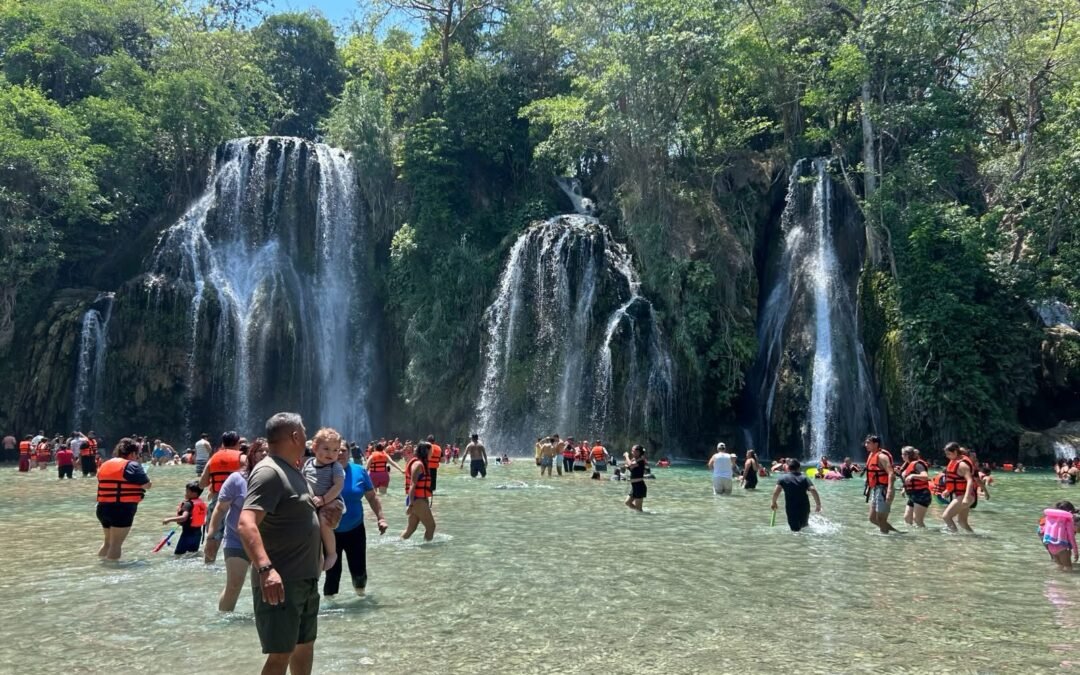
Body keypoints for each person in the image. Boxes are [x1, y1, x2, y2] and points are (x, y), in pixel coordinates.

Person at [238, 413, 321, 675]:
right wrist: (265, 568)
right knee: (280, 654)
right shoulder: (268, 472)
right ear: (295, 436)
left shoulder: (292, 471)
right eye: (304, 432)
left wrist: (327, 516)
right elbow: (246, 522)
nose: (307, 437)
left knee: (304, 647)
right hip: (281, 581)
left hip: (304, 579)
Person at [209, 439, 268, 612]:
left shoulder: (275, 479)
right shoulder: (236, 479)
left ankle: (263, 622)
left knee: (265, 586)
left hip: (265, 542)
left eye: (267, 451)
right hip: (237, 539)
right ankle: (224, 622)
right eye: (260, 451)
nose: (264, 454)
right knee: (234, 585)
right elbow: (220, 509)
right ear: (251, 455)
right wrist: (212, 536)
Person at [324, 441, 388, 599]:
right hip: (330, 532)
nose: (340, 454)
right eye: (336, 450)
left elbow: (372, 497)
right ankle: (330, 607)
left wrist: (381, 518)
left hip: (356, 530)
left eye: (343, 450)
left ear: (349, 452)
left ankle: (361, 599)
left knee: (359, 571)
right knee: (332, 572)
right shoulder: (323, 472)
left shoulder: (359, 471)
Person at [96, 438, 152, 561]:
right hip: (121, 509)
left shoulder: (105, 464)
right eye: (136, 455)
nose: (137, 457)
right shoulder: (132, 465)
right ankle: (111, 572)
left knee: (107, 543)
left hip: (102, 508)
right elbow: (147, 485)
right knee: (116, 544)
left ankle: (100, 566)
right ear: (132, 453)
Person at [302, 428, 346, 572]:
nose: (331, 454)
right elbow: (302, 482)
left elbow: (339, 485)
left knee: (323, 520)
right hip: (315, 503)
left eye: (335, 450)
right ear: (314, 447)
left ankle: (332, 554)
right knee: (314, 529)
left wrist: (324, 499)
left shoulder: (336, 466)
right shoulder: (308, 464)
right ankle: (319, 558)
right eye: (326, 448)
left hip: (333, 502)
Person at [200, 430, 243, 564]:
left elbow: (202, 483)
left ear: (223, 443)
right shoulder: (243, 458)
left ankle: (208, 566)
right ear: (237, 443)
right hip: (237, 502)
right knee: (238, 539)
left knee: (213, 537)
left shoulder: (213, 458)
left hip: (217, 501)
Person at [941, 442, 984, 533]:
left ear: (955, 452)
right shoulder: (955, 461)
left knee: (946, 516)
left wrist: (966, 497)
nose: (947, 456)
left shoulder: (962, 465)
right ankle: (973, 537)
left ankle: (955, 536)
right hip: (962, 495)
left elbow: (970, 480)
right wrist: (948, 490)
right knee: (962, 522)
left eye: (949, 454)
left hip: (965, 496)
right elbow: (955, 480)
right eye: (946, 454)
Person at [770, 460, 822, 532]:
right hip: (804, 506)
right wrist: (818, 504)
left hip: (791, 507)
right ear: (798, 468)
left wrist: (773, 502)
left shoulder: (782, 478)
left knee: (795, 530)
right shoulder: (804, 478)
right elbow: (813, 489)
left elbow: (776, 492)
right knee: (804, 526)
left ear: (788, 467)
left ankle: (796, 542)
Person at [864, 435, 899, 534]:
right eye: (866, 443)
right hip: (875, 489)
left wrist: (889, 490)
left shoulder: (882, 456)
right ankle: (896, 532)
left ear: (876, 444)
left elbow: (891, 473)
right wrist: (868, 487)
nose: (866, 445)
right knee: (872, 518)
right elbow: (871, 474)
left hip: (884, 489)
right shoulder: (871, 455)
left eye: (868, 443)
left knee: (880, 519)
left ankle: (885, 539)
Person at [402, 442, 436, 541]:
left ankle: (396, 547)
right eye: (431, 451)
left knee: (410, 529)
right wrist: (410, 505)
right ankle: (427, 551)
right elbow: (413, 485)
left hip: (419, 500)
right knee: (431, 527)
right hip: (417, 500)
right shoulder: (418, 465)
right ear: (426, 451)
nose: (432, 453)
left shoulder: (422, 464)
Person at [163, 481, 207, 555]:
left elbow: (184, 517)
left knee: (178, 554)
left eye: (187, 491)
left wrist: (169, 519)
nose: (185, 493)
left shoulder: (188, 504)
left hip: (188, 534)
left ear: (194, 493)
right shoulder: (201, 503)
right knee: (192, 554)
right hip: (198, 534)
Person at [1041, 501, 1079, 571]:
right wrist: (1076, 553)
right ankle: (1067, 581)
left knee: (1060, 567)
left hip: (1051, 547)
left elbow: (1042, 531)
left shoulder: (1049, 518)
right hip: (1062, 548)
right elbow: (1071, 538)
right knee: (1068, 568)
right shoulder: (1068, 521)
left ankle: (1056, 580)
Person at [898, 447, 931, 528]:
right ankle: (912, 537)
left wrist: (913, 475)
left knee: (917, 520)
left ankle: (924, 537)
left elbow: (925, 476)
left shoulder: (917, 464)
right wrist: (903, 488)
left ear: (908, 455)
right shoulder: (908, 464)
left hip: (921, 494)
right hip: (913, 495)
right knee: (907, 518)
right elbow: (907, 480)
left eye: (903, 454)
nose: (902, 456)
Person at [623, 445, 649, 511]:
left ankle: (641, 513)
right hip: (634, 486)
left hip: (639, 486)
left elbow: (630, 465)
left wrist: (626, 456)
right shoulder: (635, 459)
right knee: (627, 502)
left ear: (638, 452)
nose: (631, 452)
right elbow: (629, 465)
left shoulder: (641, 460)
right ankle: (640, 512)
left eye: (633, 451)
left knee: (638, 509)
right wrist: (627, 463)